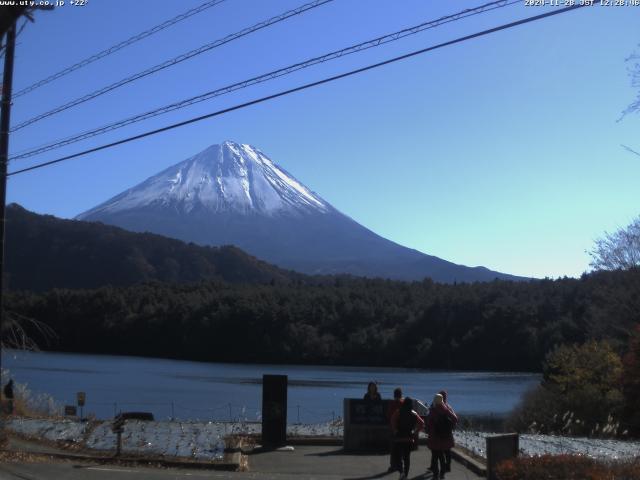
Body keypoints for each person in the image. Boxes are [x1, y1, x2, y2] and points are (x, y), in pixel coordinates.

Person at [391, 396, 425, 480]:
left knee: (397, 456)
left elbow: (392, 420)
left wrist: (395, 430)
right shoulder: (414, 413)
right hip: (409, 438)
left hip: (399, 437)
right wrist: (415, 431)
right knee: (407, 457)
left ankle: (401, 472)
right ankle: (405, 475)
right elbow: (422, 423)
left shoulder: (398, 412)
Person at [427, 393, 458, 479]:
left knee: (435, 456)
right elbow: (455, 419)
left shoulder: (432, 410)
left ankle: (435, 475)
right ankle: (442, 474)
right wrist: (450, 426)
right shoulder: (446, 410)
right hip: (445, 436)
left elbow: (428, 423)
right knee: (442, 457)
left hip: (434, 437)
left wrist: (430, 430)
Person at [439, 390, 457, 473]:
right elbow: (455, 418)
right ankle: (448, 466)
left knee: (440, 451)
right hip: (448, 432)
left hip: (439, 433)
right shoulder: (448, 407)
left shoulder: (436, 407)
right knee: (448, 451)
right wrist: (452, 426)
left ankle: (442, 468)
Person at [387, 387, 404, 472]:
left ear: (394, 395)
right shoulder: (403, 403)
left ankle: (393, 466)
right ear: (401, 395)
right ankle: (400, 465)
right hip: (402, 429)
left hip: (393, 428)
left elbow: (389, 415)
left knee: (393, 448)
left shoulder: (392, 404)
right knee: (400, 448)